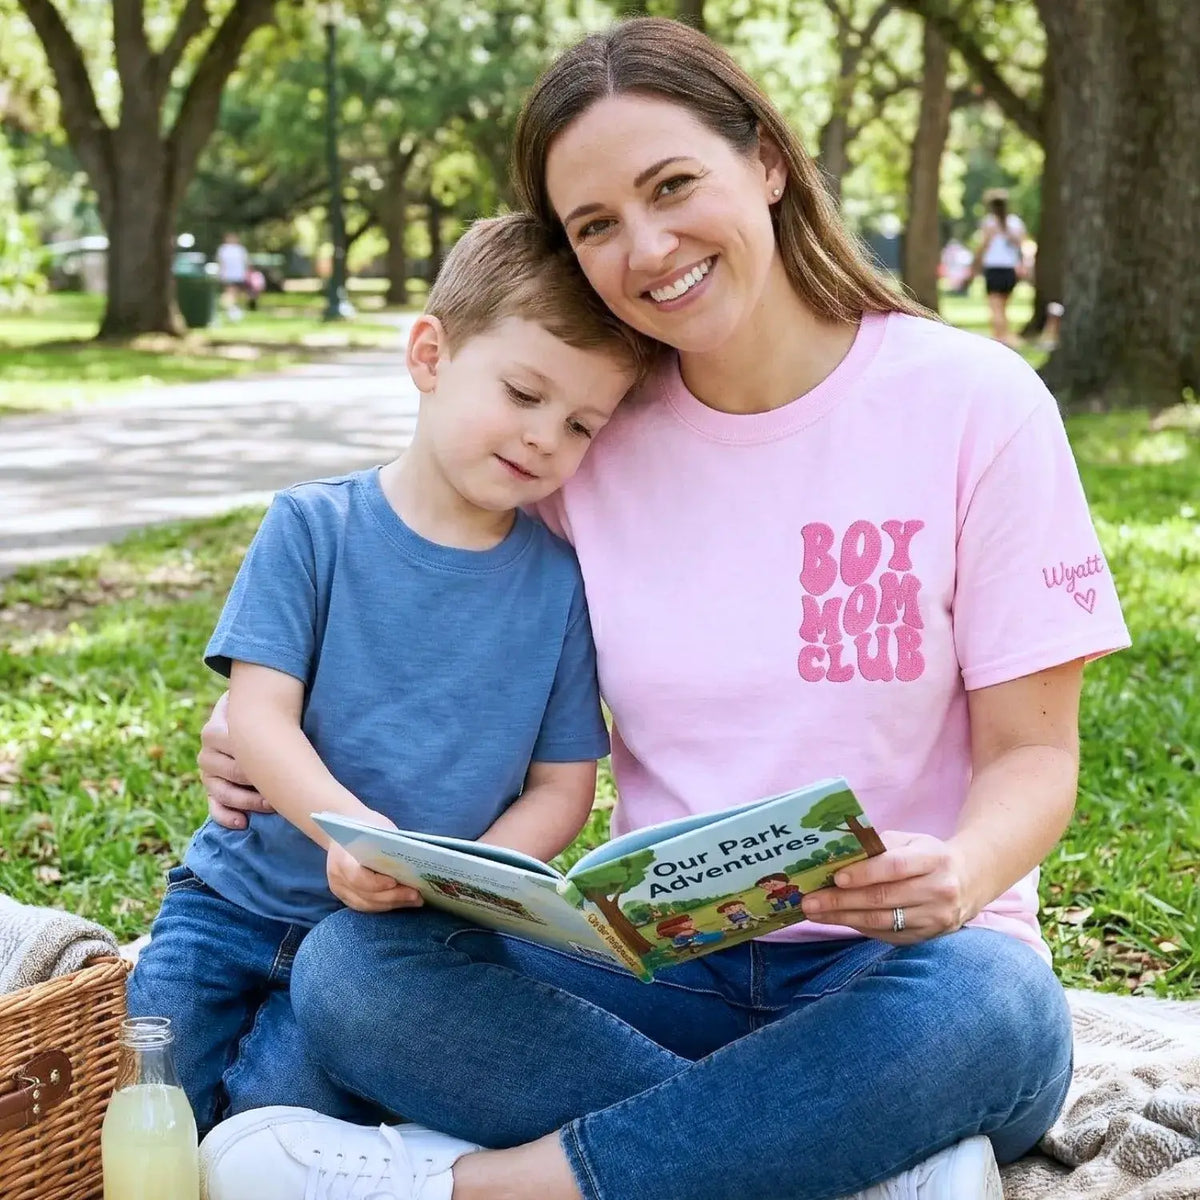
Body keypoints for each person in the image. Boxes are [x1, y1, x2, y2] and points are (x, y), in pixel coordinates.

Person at [195, 17, 1130, 1200]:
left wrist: (961, 868)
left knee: (995, 1011)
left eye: (673, 184)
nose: (647, 246)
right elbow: (410, 593)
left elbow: (1037, 756)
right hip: (657, 970)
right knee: (353, 972)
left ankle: (486, 1187)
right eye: (595, 225)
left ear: (770, 162)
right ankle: (841, 1153)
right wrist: (248, 728)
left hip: (909, 971)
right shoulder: (587, 438)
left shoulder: (975, 402)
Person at [127, 212, 649, 1136]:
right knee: (145, 1103)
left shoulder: (558, 584)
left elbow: (564, 787)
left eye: (578, 424)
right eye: (523, 393)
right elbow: (258, 717)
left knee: (273, 1127)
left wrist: (467, 877)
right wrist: (355, 833)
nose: (543, 438)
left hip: (390, 940)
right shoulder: (312, 529)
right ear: (429, 355)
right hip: (232, 906)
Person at [973, 190, 1027, 346]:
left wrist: (975, 263)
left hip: (994, 269)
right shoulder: (1015, 223)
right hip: (1010, 270)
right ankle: (1004, 337)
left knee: (995, 307)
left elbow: (984, 246)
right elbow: (1020, 244)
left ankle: (999, 339)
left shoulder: (989, 223)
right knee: (1002, 307)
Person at [216, 232, 250, 320]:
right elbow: (221, 262)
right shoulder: (223, 249)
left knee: (236, 293)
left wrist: (246, 273)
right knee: (229, 292)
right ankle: (231, 310)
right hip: (227, 275)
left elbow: (245, 262)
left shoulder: (240, 249)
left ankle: (233, 309)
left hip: (239, 275)